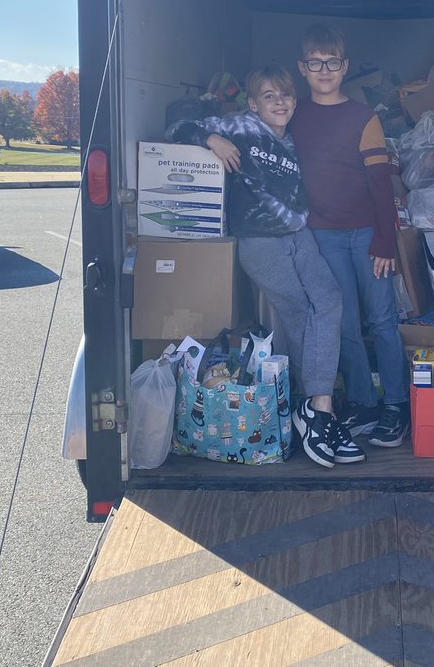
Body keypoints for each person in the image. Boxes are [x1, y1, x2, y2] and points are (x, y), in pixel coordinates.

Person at [166, 65, 363, 469]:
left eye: (286, 95)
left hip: (299, 234)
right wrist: (211, 138)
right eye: (269, 96)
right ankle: (320, 412)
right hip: (259, 240)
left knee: (329, 300)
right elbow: (175, 124)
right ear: (254, 104)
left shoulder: (294, 138)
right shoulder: (240, 127)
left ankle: (316, 410)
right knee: (298, 314)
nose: (280, 102)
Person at [289, 24, 411, 448]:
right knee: (341, 323)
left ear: (345, 67)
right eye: (315, 62)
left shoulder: (364, 118)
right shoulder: (294, 114)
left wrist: (385, 241)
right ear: (302, 68)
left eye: (332, 62)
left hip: (366, 236)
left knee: (382, 320)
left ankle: (395, 405)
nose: (324, 70)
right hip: (323, 236)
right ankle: (363, 402)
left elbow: (381, 184)